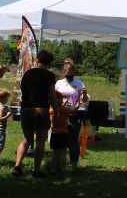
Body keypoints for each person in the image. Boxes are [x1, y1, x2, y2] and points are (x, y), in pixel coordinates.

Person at [12, 49, 59, 178]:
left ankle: (17, 166)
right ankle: (36, 170)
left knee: (27, 139)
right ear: (49, 62)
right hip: (41, 110)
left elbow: (23, 92)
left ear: (38, 59)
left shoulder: (27, 73)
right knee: (40, 140)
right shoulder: (49, 75)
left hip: (26, 109)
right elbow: (53, 96)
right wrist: (56, 111)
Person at [55, 59, 89, 167]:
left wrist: (84, 95)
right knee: (61, 138)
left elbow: (84, 100)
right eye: (67, 73)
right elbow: (54, 97)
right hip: (61, 114)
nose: (69, 75)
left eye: (71, 73)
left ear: (74, 72)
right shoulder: (59, 83)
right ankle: (60, 161)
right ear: (64, 73)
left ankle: (74, 162)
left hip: (74, 114)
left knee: (73, 139)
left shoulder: (79, 83)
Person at [49, 92, 74, 174]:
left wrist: (65, 103)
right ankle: (62, 169)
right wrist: (76, 103)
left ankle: (53, 169)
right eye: (60, 98)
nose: (61, 100)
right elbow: (73, 109)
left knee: (55, 153)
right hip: (62, 133)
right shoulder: (62, 109)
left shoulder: (51, 109)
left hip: (54, 134)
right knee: (63, 152)